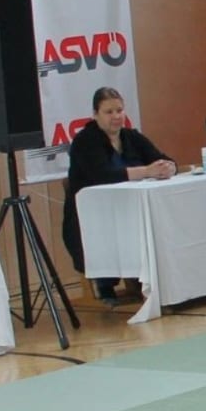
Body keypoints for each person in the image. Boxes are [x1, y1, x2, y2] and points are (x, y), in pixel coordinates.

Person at [61, 86, 174, 304]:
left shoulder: (131, 136)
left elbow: (162, 158)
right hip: (91, 218)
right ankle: (106, 286)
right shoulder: (85, 141)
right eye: (109, 112)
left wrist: (168, 167)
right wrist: (146, 171)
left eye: (119, 110)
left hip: (130, 212)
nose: (116, 116)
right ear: (95, 115)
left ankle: (159, 280)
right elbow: (103, 174)